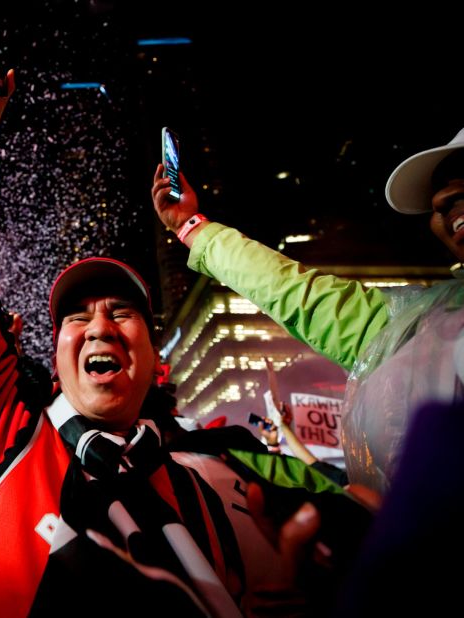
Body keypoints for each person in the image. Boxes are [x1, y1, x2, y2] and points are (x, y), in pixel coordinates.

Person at [0, 47, 276, 617]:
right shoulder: (7, 437)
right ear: (57, 352)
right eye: (76, 317)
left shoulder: (207, 493)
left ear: (152, 353)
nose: (99, 328)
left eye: (121, 313)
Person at [152, 127, 464, 492]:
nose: (442, 200)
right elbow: (297, 293)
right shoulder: (419, 328)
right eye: (437, 197)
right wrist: (191, 226)